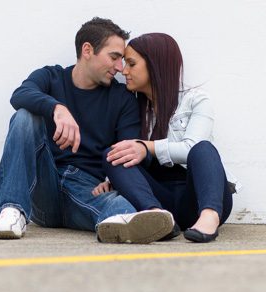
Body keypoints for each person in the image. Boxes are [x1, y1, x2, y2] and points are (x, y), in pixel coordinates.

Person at [0, 17, 175, 244]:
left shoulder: (122, 99)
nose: (120, 68)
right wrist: (56, 108)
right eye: (114, 57)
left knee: (120, 206)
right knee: (24, 117)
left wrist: (113, 180)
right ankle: (12, 212)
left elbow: (127, 148)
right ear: (88, 50)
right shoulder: (51, 77)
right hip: (43, 184)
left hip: (88, 188)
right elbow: (19, 95)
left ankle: (119, 225)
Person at [95, 33, 236, 242]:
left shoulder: (196, 100)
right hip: (160, 198)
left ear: (154, 65)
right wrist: (111, 179)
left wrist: (146, 147)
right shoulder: (133, 106)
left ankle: (209, 218)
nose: (124, 71)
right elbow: (126, 150)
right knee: (112, 154)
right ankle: (156, 218)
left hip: (197, 197)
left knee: (203, 148)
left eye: (131, 64)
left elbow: (190, 149)